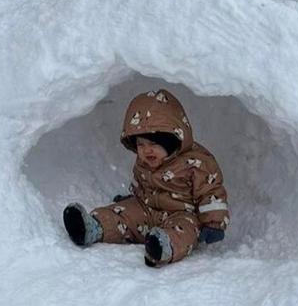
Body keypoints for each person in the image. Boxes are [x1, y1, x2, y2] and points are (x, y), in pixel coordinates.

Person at [63, 88, 230, 267]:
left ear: (172, 140)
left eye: (153, 144)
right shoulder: (144, 161)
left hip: (181, 214)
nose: (146, 150)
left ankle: (162, 247)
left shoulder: (196, 162)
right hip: (145, 209)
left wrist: (213, 223)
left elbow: (210, 192)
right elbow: (142, 182)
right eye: (141, 144)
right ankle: (93, 227)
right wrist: (134, 198)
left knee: (185, 231)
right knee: (123, 213)